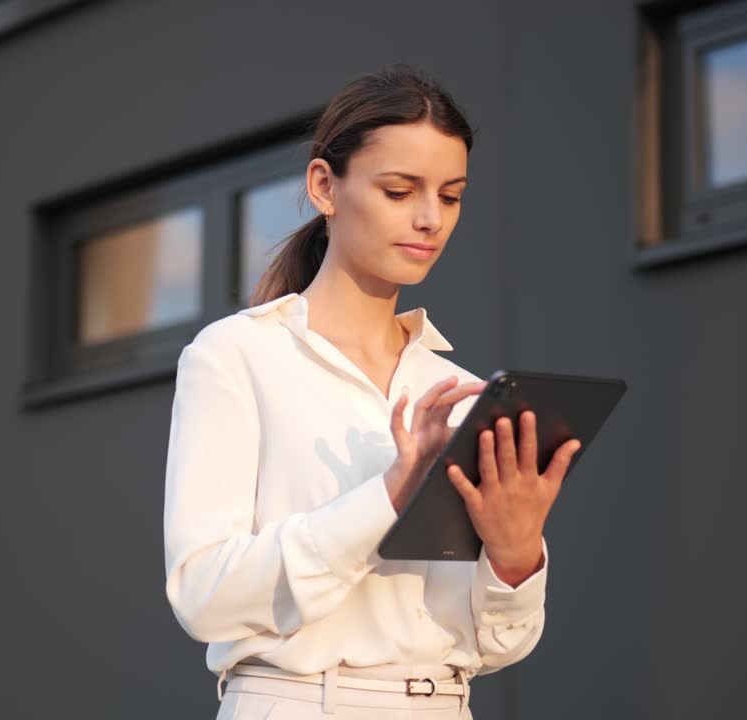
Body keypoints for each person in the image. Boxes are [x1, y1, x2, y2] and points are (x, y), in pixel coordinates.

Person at [163, 64, 582, 720]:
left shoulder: (453, 391)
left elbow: (500, 645)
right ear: (324, 186)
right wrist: (387, 497)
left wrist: (516, 552)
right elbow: (203, 596)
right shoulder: (237, 356)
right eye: (398, 190)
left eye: (451, 196)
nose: (430, 218)